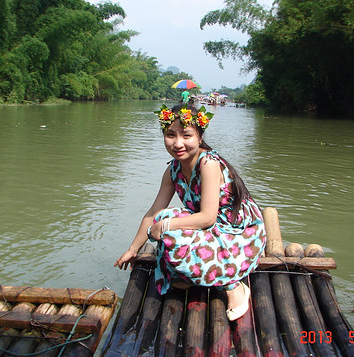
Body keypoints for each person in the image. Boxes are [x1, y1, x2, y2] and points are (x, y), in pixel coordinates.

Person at [114, 104, 266, 321]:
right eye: (170, 135)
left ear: (200, 136)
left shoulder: (208, 163)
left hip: (237, 230)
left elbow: (207, 217)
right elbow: (153, 212)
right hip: (211, 227)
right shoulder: (173, 170)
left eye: (186, 135)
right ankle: (196, 272)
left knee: (167, 226)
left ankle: (235, 288)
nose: (178, 144)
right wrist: (132, 249)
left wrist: (165, 226)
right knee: (162, 218)